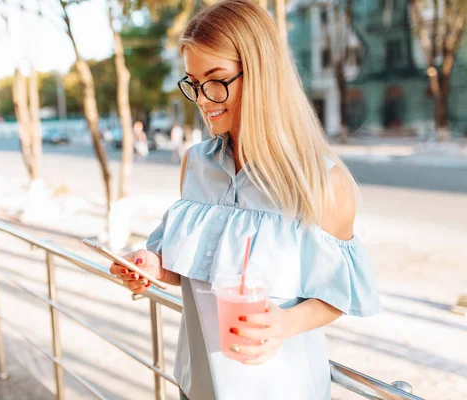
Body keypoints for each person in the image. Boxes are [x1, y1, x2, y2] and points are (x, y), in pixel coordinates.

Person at [110, 1, 382, 399]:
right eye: (193, 82)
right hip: (197, 386)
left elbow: (338, 294)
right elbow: (188, 264)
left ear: (261, 75)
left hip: (283, 389)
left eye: (216, 79)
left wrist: (284, 324)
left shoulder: (324, 182)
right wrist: (150, 265)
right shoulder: (194, 165)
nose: (202, 99)